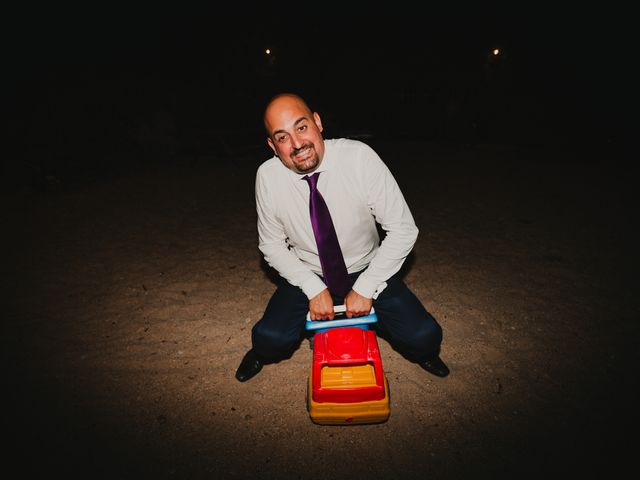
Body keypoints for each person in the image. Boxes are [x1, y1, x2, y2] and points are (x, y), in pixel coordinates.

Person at [235, 93, 449, 382]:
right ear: (273, 146)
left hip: (367, 268)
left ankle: (383, 326)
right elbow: (271, 244)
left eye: (301, 127)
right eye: (283, 137)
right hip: (308, 271)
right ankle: (263, 352)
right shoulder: (268, 177)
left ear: (318, 122)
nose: (297, 145)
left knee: (424, 338)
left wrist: (366, 287)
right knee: (269, 340)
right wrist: (312, 287)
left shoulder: (358, 157)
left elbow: (403, 229)